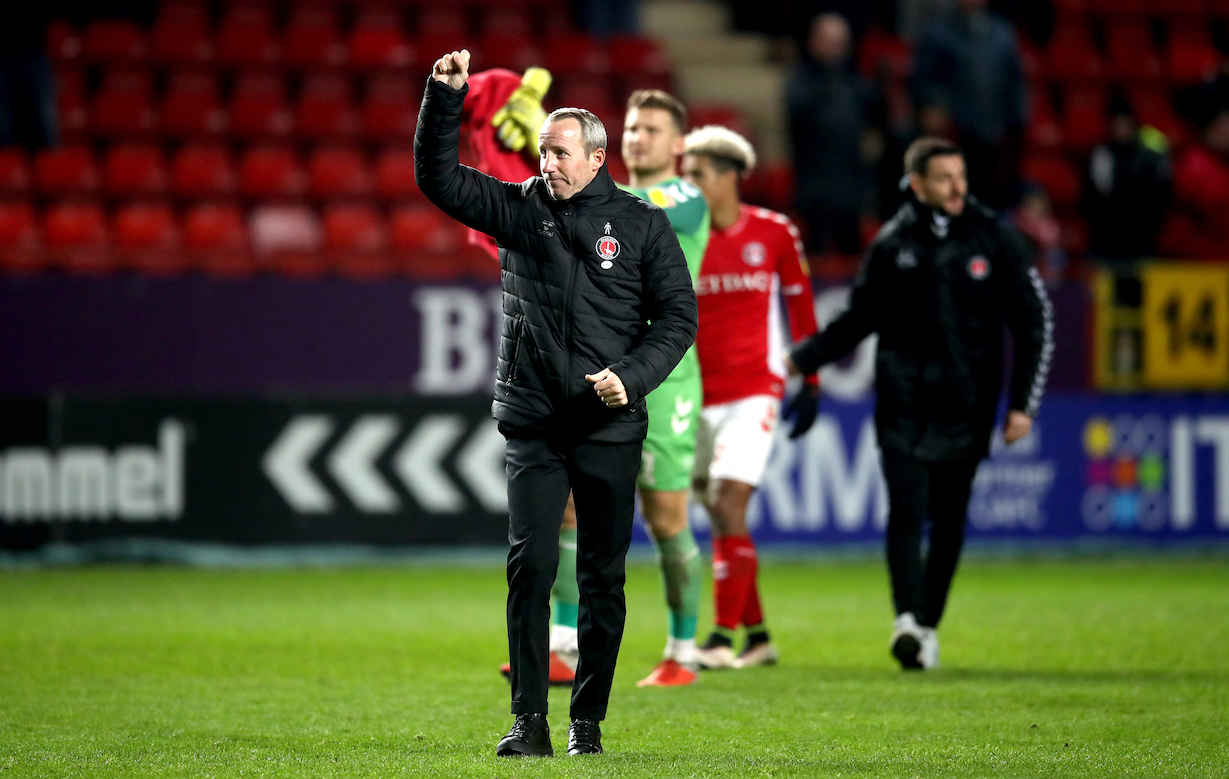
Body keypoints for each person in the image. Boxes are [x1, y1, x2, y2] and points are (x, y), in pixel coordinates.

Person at [416, 51, 698, 756]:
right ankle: (528, 721)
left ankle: (587, 723)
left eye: (561, 153)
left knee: (602, 577)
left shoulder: (641, 225)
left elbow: (677, 318)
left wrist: (632, 376)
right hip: (536, 423)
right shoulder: (518, 209)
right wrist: (444, 99)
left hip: (609, 424)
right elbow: (438, 179)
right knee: (531, 567)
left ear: (598, 158)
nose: (547, 164)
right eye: (543, 151)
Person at [785, 137, 1051, 670]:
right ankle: (907, 619)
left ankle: (926, 625)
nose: (957, 187)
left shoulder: (995, 238)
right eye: (944, 178)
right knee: (906, 511)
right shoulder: (892, 244)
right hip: (903, 401)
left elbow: (1033, 323)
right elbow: (859, 318)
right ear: (918, 184)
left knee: (949, 522)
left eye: (961, 176)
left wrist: (1022, 402)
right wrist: (803, 358)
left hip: (967, 405)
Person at [548, 89, 711, 689]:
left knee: (666, 518)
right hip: (600, 368)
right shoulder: (600, 199)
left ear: (679, 144)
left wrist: (569, 179)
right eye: (633, 127)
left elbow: (620, 207)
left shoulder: (685, 199)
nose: (639, 138)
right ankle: (561, 645)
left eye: (652, 129)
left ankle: (683, 651)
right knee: (570, 504)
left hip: (664, 378)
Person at [680, 125, 821, 669]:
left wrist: (811, 380)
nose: (686, 185)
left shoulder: (775, 232)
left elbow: (801, 307)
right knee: (720, 516)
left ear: (729, 178)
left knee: (727, 503)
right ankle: (758, 637)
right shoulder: (676, 237)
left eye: (696, 175)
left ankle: (719, 639)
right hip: (696, 392)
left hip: (754, 389)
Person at [911, 0, 1026, 208]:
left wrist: (1015, 121)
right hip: (957, 133)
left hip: (996, 136)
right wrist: (936, 104)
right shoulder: (939, 31)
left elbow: (1014, 81)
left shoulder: (1003, 32)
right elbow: (924, 79)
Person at [786, 12, 881, 255]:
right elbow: (799, 116)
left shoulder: (855, 81)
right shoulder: (801, 80)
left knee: (852, 257)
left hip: (851, 188)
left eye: (841, 43)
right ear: (813, 42)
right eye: (829, 42)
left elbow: (876, 118)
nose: (835, 50)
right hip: (814, 190)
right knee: (815, 259)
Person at [1081, 94, 1170, 263]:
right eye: (1117, 124)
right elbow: (1094, 202)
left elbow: (1159, 198)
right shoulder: (1101, 155)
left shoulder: (1148, 155)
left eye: (1125, 123)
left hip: (1143, 240)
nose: (1121, 129)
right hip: (1108, 241)